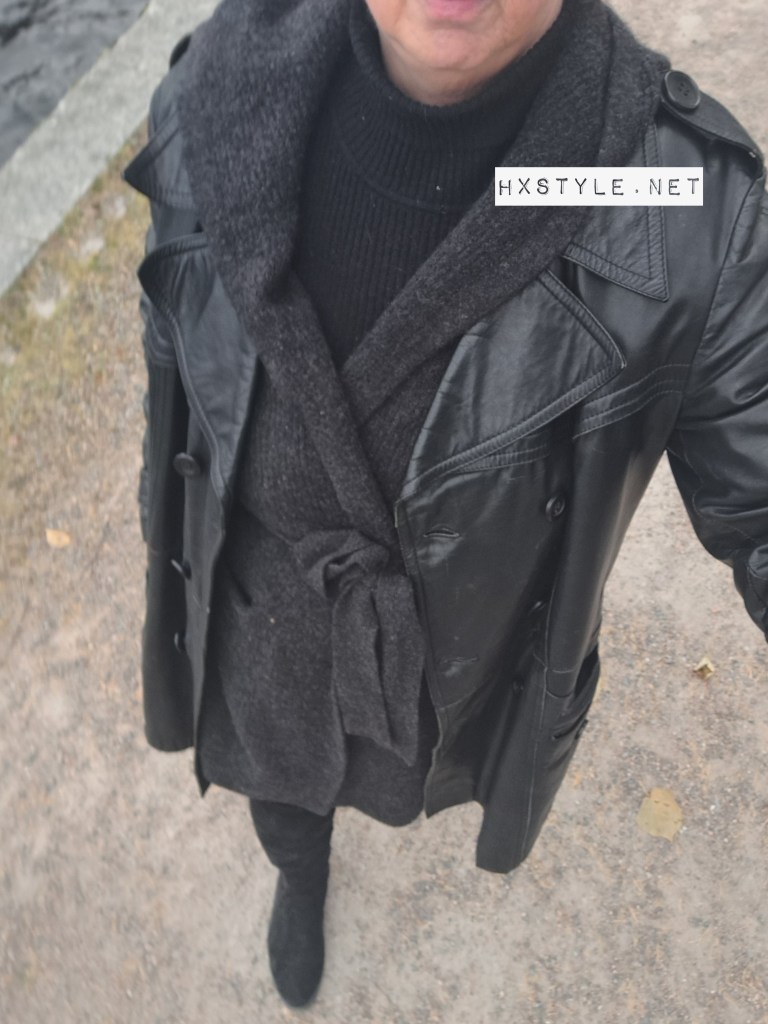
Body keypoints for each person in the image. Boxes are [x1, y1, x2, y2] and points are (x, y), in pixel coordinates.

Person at [124, 0, 768, 1009]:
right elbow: (173, 357)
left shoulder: (673, 198)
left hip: (449, 674)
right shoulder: (215, 92)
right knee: (280, 797)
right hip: (258, 637)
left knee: (394, 778)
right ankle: (300, 866)